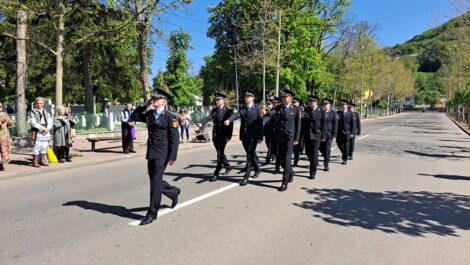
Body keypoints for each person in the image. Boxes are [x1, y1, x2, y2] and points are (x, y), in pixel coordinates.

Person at [131, 89, 181, 226]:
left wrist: (172, 156)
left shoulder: (170, 117)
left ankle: (152, 212)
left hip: (162, 154)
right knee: (155, 180)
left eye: (156, 99)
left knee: (154, 183)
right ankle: (173, 192)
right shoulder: (150, 114)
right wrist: (144, 105)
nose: (153, 100)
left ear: (164, 101)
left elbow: (174, 138)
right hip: (151, 152)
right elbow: (134, 116)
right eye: (152, 98)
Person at [225, 89, 263, 186]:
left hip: (253, 136)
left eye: (248, 97)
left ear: (252, 98)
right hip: (244, 136)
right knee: (250, 153)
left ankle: (246, 177)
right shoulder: (243, 108)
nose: (246, 98)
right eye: (245, 97)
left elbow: (260, 124)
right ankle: (258, 169)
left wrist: (260, 137)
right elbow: (236, 115)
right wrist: (229, 120)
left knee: (249, 156)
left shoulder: (257, 109)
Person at [268, 89, 301, 192]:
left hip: (289, 137)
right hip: (280, 137)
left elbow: (298, 126)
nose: (283, 98)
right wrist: (266, 112)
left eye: (285, 97)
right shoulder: (279, 108)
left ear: (290, 98)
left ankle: (284, 183)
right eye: (282, 97)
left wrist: (296, 138)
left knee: (287, 160)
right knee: (281, 159)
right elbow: (272, 113)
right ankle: (290, 172)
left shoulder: (295, 109)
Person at [198, 92, 234, 182]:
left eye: (218, 100)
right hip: (215, 135)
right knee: (220, 153)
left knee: (219, 154)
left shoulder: (228, 111)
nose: (216, 101)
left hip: (223, 135)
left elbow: (231, 125)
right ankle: (228, 166)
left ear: (223, 101)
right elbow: (209, 117)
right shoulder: (214, 110)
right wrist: (202, 121)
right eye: (216, 100)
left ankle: (216, 173)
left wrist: (228, 136)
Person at [302, 95, 326, 179]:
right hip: (308, 135)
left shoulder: (321, 111)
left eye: (313, 101)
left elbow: (323, 124)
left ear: (316, 102)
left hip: (316, 135)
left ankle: (312, 172)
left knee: (315, 154)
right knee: (308, 152)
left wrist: (323, 135)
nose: (311, 103)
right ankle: (314, 162)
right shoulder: (307, 110)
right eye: (310, 101)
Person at [29, 97, 52, 168]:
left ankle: (42, 160)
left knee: (44, 146)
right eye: (38, 103)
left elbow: (50, 120)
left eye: (41, 103)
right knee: (37, 146)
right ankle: (35, 161)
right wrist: (42, 128)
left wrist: (47, 128)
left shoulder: (46, 111)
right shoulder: (33, 111)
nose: (39, 104)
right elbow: (33, 122)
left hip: (46, 130)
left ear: (43, 104)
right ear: (36, 104)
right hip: (38, 130)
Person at [320, 99, 337, 172]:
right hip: (320, 134)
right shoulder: (320, 112)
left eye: (326, 104)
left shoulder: (333, 113)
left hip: (329, 134)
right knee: (321, 148)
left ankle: (326, 164)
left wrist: (334, 133)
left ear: (329, 105)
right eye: (324, 104)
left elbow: (335, 124)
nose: (325, 105)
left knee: (327, 149)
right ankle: (326, 156)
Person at [336, 100, 355, 165]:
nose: (342, 106)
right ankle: (345, 153)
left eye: (343, 105)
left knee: (346, 146)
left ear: (346, 106)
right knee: (338, 143)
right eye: (341, 105)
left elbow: (353, 124)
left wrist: (352, 133)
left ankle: (345, 159)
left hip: (347, 132)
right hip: (339, 132)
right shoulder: (338, 113)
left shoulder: (350, 114)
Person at [0, 102, 14, 171]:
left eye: (0, 106)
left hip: (4, 136)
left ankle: (1, 164)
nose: (0, 108)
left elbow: (10, 122)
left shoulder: (4, 114)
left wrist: (10, 122)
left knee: (4, 150)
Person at [293, 97, 305, 167]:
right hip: (292, 131)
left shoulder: (301, 111)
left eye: (296, 102)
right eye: (293, 102)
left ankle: (295, 161)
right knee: (294, 149)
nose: (294, 103)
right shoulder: (291, 109)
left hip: (300, 132)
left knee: (298, 148)